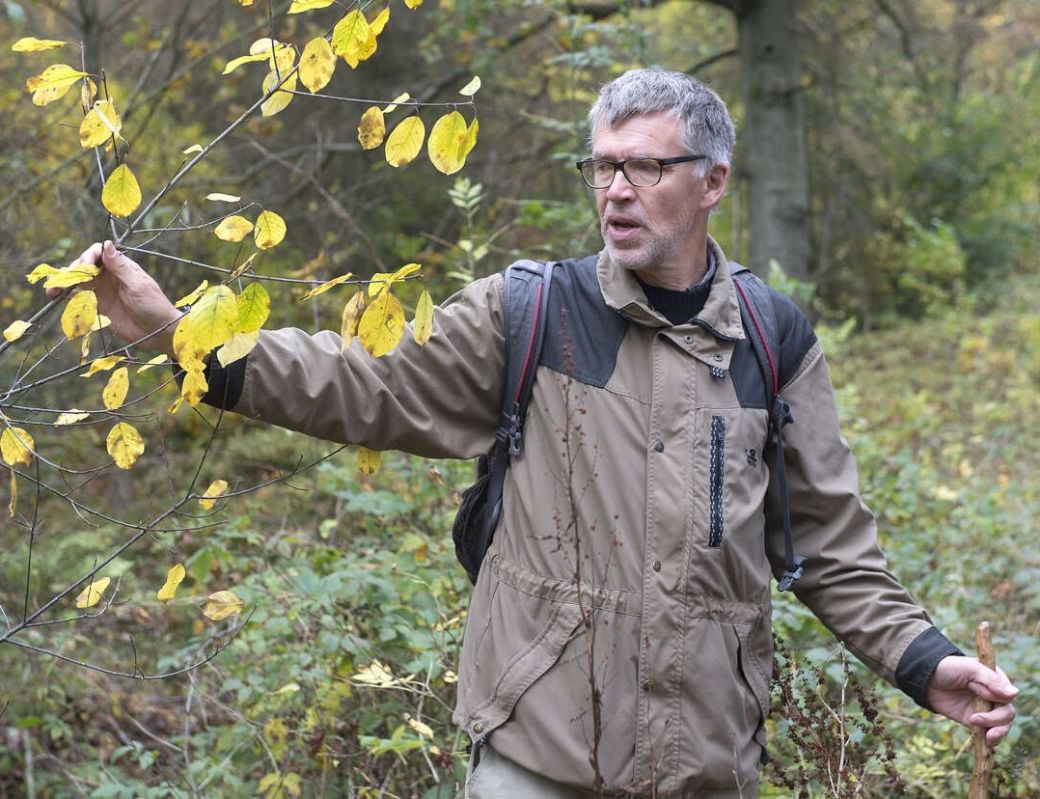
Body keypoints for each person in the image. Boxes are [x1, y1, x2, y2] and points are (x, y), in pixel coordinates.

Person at [61, 69, 1016, 798]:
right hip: (536, 754)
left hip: (705, 764)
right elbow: (361, 380)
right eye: (604, 165)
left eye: (646, 165)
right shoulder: (530, 313)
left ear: (714, 180)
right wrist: (180, 336)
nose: (617, 191)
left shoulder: (774, 341)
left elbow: (833, 550)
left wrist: (926, 662)